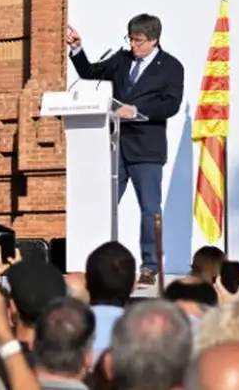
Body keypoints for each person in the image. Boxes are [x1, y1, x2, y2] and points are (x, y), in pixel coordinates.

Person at [66, 15, 184, 284]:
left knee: (150, 209)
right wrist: (77, 49)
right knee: (105, 206)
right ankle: (100, 262)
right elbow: (89, 72)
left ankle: (150, 266)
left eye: (139, 41)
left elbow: (171, 105)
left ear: (153, 40)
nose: (133, 45)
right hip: (116, 145)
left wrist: (138, 110)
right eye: (130, 38)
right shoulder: (121, 59)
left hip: (147, 149)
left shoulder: (171, 67)